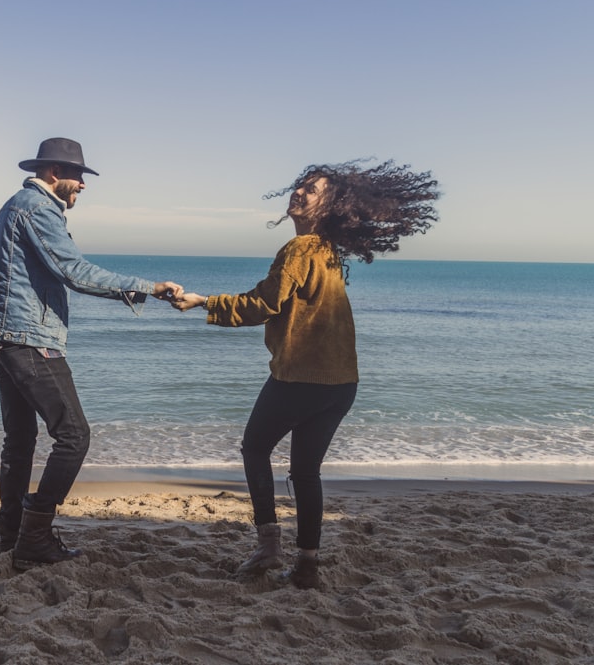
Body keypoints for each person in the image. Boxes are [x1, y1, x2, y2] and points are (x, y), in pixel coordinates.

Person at [172, 160, 440, 589]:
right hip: (341, 384)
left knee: (255, 448)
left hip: (302, 379)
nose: (299, 192)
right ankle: (308, 565)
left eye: (311, 190)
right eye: (299, 186)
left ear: (330, 206)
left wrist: (204, 302)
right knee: (305, 471)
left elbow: (263, 305)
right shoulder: (327, 251)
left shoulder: (301, 249)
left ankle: (269, 545)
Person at [0, 137, 183, 570]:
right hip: (29, 339)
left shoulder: (16, 205)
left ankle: (11, 534)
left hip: (3, 339)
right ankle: (33, 537)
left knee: (20, 441)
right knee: (74, 436)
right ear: (54, 173)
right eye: (78, 177)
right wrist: (151, 287)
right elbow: (74, 271)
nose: (82, 186)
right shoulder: (37, 208)